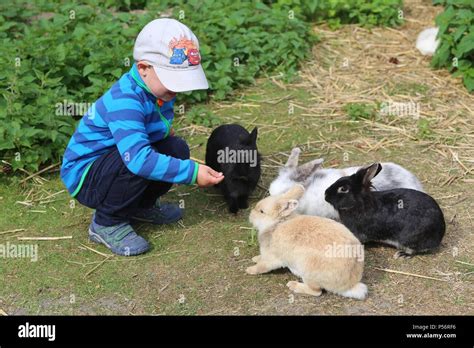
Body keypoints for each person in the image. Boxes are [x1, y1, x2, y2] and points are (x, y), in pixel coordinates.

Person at [60, 18, 224, 256]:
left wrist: (167, 134)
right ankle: (107, 222)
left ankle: (139, 206)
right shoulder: (125, 101)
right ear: (144, 68)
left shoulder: (157, 91)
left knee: (175, 148)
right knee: (139, 162)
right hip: (87, 177)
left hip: (115, 160)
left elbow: (156, 125)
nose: (175, 91)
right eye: (171, 82)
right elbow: (138, 159)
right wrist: (192, 173)